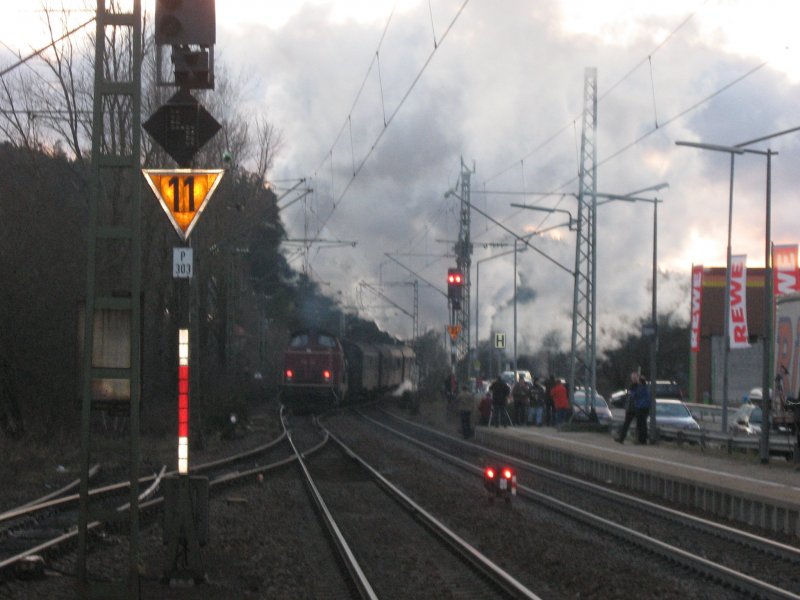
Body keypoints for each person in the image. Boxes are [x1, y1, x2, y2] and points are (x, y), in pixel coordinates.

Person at [616, 371, 651, 444]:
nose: (634, 379)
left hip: (638, 408)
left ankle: (641, 440)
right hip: (633, 408)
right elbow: (631, 397)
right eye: (633, 378)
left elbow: (635, 396)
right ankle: (622, 438)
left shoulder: (640, 387)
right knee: (629, 424)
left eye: (635, 378)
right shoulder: (635, 386)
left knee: (640, 424)